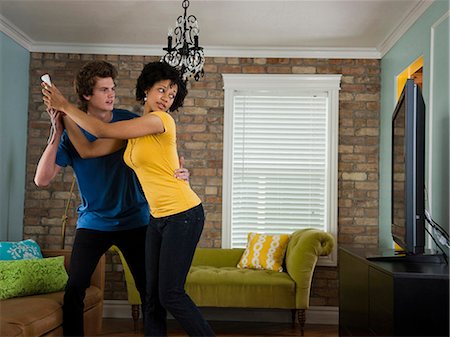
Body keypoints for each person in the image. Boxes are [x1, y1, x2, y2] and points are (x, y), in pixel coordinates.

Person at [42, 61, 215, 337]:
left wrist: (64, 105)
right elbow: (88, 148)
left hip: (180, 214)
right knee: (152, 294)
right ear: (146, 90)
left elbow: (101, 131)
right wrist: (62, 120)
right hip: (156, 218)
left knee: (169, 294)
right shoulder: (134, 130)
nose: (166, 99)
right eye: (161, 91)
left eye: (171, 95)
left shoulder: (160, 120)